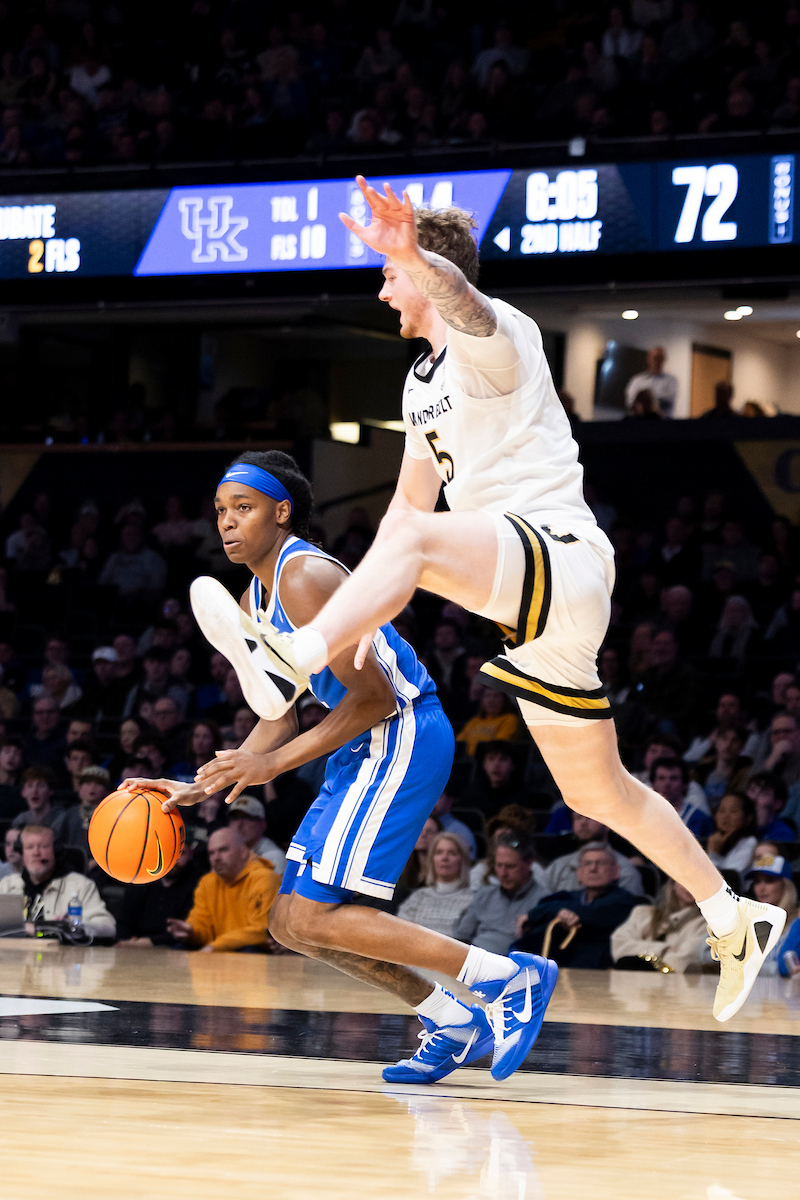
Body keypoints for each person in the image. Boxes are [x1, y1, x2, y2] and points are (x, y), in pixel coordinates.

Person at [189, 183, 785, 1048]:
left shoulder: (500, 338)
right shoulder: (418, 384)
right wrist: (372, 592)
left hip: (558, 556)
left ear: (428, 272)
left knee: (416, 544)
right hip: (527, 608)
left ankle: (297, 652)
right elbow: (404, 514)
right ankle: (732, 913)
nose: (384, 290)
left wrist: (420, 257)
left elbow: (464, 305)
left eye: (390, 274)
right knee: (596, 790)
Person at [124, 452, 505, 1086]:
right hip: (361, 742)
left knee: (312, 916)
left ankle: (502, 978)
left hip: (403, 732)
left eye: (242, 508)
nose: (226, 522)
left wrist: (271, 764)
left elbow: (376, 697)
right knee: (291, 925)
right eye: (220, 511)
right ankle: (454, 1020)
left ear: (282, 512)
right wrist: (203, 783)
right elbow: (278, 714)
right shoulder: (256, 594)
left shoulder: (302, 576)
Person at [513, 845, 640, 968]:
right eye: (587, 864)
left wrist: (555, 912)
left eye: (600, 863)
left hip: (601, 968)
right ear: (579, 873)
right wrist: (556, 912)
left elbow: (592, 912)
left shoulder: (624, 900)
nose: (593, 868)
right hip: (564, 964)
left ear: (616, 871)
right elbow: (543, 905)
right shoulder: (567, 897)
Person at [165, 827, 279, 952]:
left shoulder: (265, 879)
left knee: (250, 950)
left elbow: (262, 931)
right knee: (180, 948)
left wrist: (215, 947)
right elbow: (202, 923)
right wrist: (191, 931)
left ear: (243, 852)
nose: (216, 858)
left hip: (252, 952)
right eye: (211, 853)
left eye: (223, 850)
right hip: (216, 949)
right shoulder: (207, 882)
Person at [0, 824, 115, 939]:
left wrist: (71, 927)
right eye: (29, 847)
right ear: (21, 852)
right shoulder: (7, 885)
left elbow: (108, 927)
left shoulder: (80, 885)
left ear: (56, 850)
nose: (36, 853)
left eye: (44, 847)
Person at [454, 832, 546, 955]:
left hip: (513, 961)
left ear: (528, 864)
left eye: (510, 866)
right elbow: (461, 937)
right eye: (499, 865)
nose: (502, 873)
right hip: (474, 958)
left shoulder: (544, 901)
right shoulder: (485, 895)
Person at [116, 838, 204, 946]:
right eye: (167, 852)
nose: (172, 860)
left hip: (178, 950)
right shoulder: (141, 880)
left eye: (180, 853)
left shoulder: (200, 883)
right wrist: (130, 942)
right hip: (134, 949)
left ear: (191, 853)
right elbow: (123, 923)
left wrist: (147, 943)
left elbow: (189, 931)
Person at [611, 880, 708, 973]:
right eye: (685, 879)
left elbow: (684, 960)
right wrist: (664, 950)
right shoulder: (642, 913)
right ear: (673, 882)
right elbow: (619, 946)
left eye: (699, 881)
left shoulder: (707, 925)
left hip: (673, 982)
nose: (691, 886)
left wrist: (641, 950)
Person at [542, 812, 645, 896]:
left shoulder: (625, 870)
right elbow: (541, 905)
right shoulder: (558, 866)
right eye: (578, 818)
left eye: (589, 817)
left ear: (607, 824)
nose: (583, 823)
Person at [396, 833, 474, 938]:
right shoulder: (418, 897)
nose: (444, 858)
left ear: (462, 860)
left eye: (452, 853)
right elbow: (399, 934)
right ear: (432, 859)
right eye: (439, 852)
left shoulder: (474, 900)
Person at [650, 758, 714, 839]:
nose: (667, 784)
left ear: (685, 784)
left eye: (673, 778)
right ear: (652, 783)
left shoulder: (699, 819)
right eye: (661, 778)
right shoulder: (642, 815)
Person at [226, 793, 287, 875]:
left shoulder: (274, 856)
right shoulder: (224, 853)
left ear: (262, 825)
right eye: (235, 818)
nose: (239, 824)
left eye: (247, 818)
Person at [59, 765, 111, 860]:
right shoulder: (71, 814)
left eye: (98, 784)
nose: (92, 787)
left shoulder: (110, 815)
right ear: (80, 788)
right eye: (88, 783)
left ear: (106, 790)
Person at [456, 686, 520, 756]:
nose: (491, 700)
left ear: (504, 700)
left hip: (490, 759)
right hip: (465, 759)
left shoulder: (510, 719)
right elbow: (458, 742)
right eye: (488, 696)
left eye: (496, 696)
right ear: (482, 700)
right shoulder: (475, 721)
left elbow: (497, 745)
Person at [706, 792, 758, 875]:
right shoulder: (713, 839)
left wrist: (714, 854)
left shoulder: (749, 843)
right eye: (722, 811)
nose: (726, 816)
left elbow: (730, 878)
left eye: (733, 811)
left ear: (748, 818)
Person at [624, 346, 678, 417]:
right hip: (640, 421)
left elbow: (668, 400)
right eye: (654, 358)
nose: (657, 361)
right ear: (648, 359)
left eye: (660, 358)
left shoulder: (671, 381)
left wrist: (648, 398)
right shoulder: (637, 381)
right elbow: (630, 401)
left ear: (663, 360)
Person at [11, 766, 65, 836]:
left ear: (50, 791)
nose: (34, 791)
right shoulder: (20, 820)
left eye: (40, 786)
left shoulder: (61, 818)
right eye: (30, 786)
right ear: (23, 792)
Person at [746, 773, 796, 841]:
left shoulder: (782, 834)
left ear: (777, 804)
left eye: (764, 794)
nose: (753, 798)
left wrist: (758, 828)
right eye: (752, 790)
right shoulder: (739, 821)